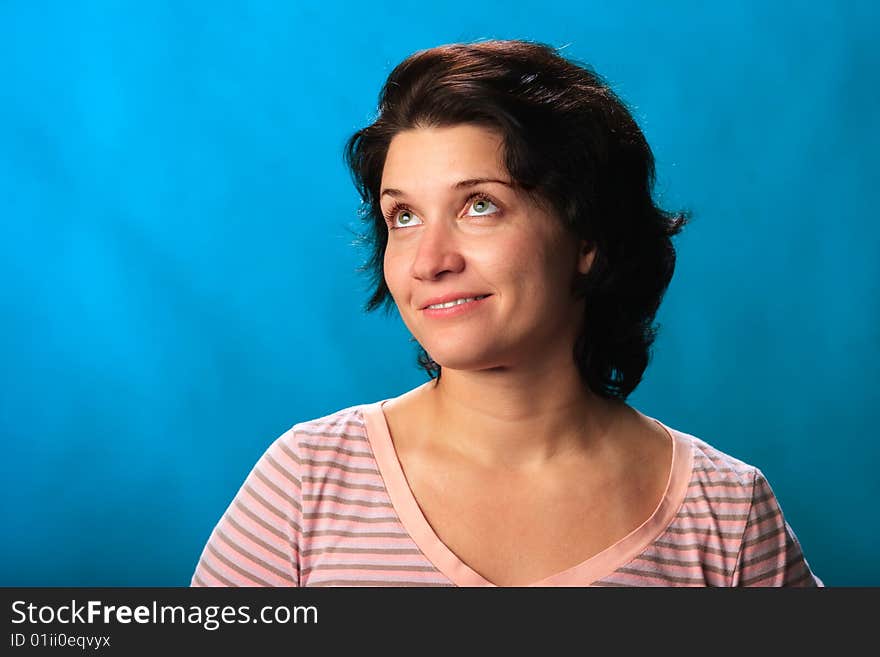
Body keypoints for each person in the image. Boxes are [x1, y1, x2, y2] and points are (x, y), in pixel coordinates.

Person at [191, 39, 823, 587]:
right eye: (403, 217)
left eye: (480, 205)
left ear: (587, 238)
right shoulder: (304, 482)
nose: (429, 261)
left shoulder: (729, 513)